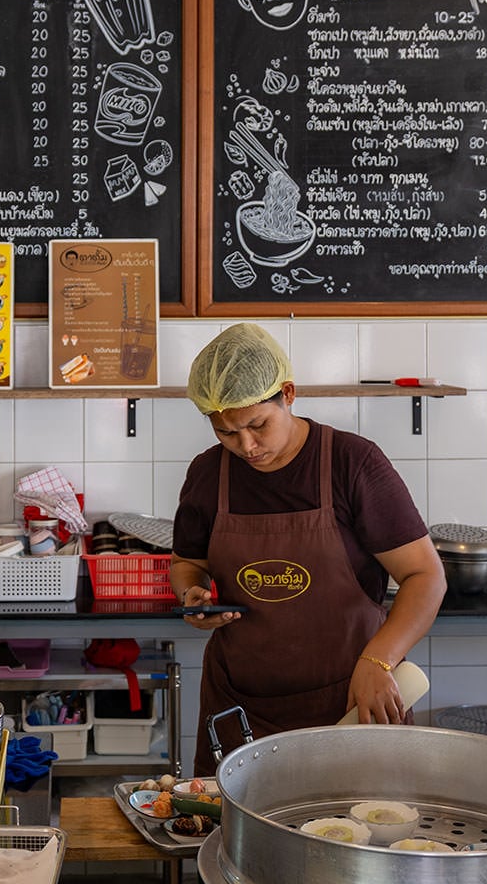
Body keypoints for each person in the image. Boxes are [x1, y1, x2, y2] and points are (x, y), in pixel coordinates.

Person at [172, 323, 445, 775]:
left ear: (289, 393)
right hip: (241, 711)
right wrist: (192, 597)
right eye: (227, 433)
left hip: (354, 703)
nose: (247, 447)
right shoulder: (207, 473)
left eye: (258, 425)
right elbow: (187, 564)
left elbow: (425, 576)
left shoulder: (351, 463)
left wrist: (379, 660)